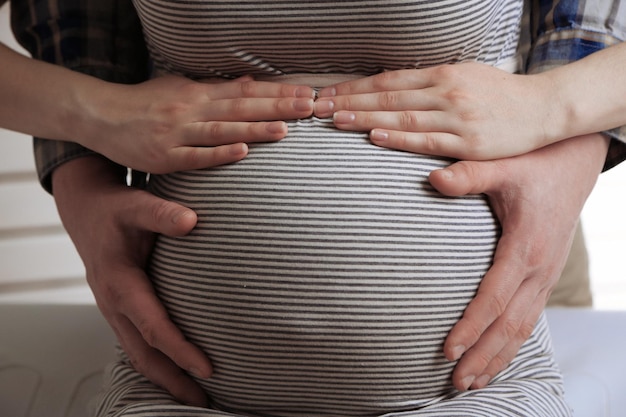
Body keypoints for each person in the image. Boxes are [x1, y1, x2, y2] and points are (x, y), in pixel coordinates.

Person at [6, 0, 624, 413]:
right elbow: (78, 38)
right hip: (179, 393)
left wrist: (560, 115)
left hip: (474, 391)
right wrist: (86, 129)